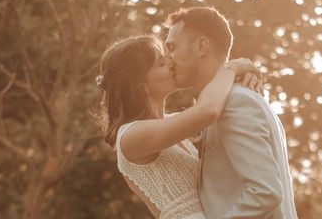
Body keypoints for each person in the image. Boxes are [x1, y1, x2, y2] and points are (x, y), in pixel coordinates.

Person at [97, 34, 263, 219]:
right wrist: (232, 67)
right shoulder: (130, 136)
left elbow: (214, 105)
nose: (170, 63)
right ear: (140, 85)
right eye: (160, 63)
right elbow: (208, 110)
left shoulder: (173, 122)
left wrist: (242, 77)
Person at [165, 6, 298, 219]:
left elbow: (265, 193)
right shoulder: (225, 101)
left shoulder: (235, 102)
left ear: (201, 47)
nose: (168, 59)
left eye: (172, 47)